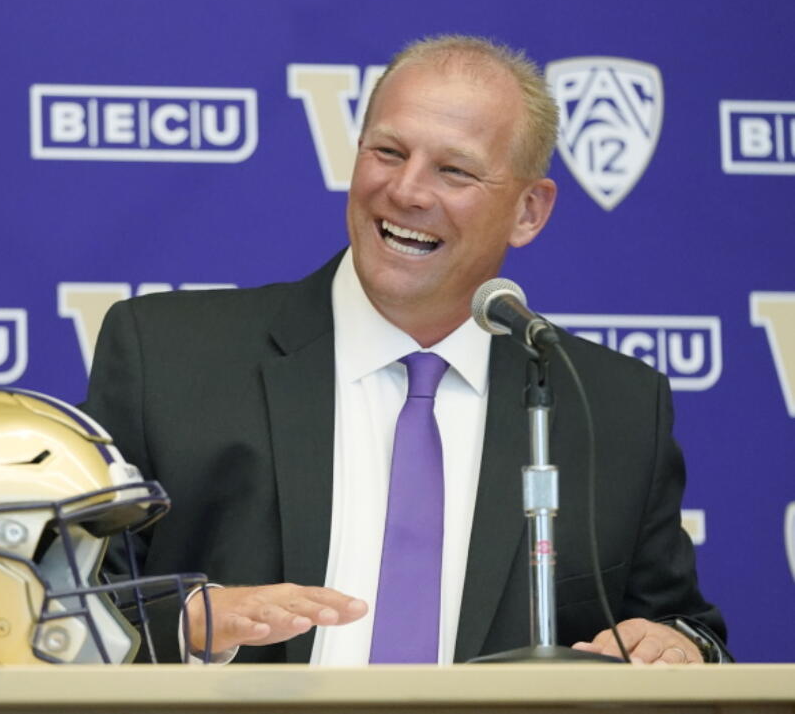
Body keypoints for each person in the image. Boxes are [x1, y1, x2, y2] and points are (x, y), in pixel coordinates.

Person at [81, 35, 729, 665]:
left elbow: (682, 627)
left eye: (453, 169)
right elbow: (54, 608)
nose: (407, 191)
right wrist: (188, 625)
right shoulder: (167, 357)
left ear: (529, 210)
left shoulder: (612, 406)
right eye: (388, 152)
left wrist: (677, 646)